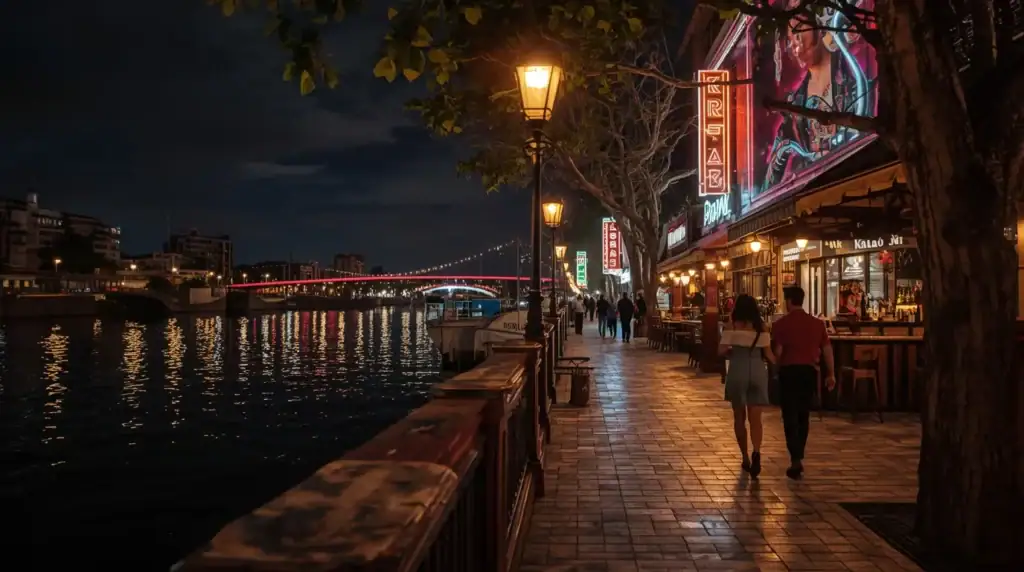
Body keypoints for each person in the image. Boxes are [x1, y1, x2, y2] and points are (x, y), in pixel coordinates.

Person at [772, 285, 836, 480]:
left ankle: (795, 457)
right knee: (803, 414)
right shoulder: (817, 324)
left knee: (789, 415)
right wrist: (830, 374)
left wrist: (774, 368)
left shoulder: (781, 324)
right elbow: (827, 351)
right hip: (809, 372)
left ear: (789, 301)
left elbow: (778, 353)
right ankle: (799, 453)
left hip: (789, 372)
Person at [719, 295, 775, 478]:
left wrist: (733, 350)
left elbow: (721, 351)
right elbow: (769, 355)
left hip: (738, 370)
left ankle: (745, 457)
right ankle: (757, 451)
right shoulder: (762, 327)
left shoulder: (732, 326)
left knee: (739, 417)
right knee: (756, 418)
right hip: (758, 371)